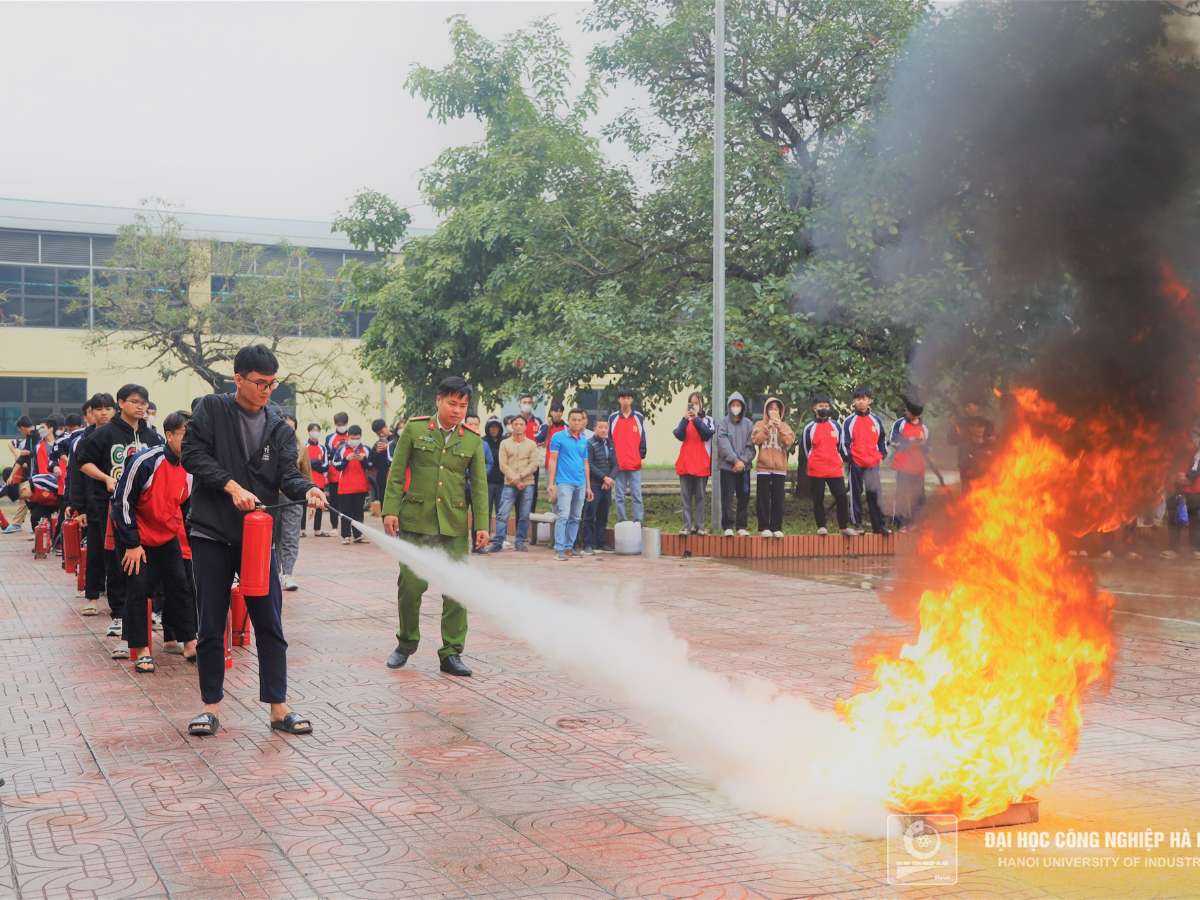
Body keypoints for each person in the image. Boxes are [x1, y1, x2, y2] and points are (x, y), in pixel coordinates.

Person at [181, 344, 326, 738]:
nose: (266, 391)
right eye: (260, 383)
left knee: (269, 620)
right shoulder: (212, 409)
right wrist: (230, 486)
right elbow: (192, 455)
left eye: (272, 384)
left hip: (259, 536)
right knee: (212, 621)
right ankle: (210, 707)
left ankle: (279, 708)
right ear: (238, 378)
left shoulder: (278, 425)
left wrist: (308, 489)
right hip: (211, 531)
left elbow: (287, 475)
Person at [383, 376, 487, 677]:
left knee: (457, 587)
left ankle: (451, 652)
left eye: (463, 406)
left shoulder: (472, 440)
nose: (457, 411)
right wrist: (390, 510)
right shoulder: (415, 430)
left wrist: (481, 525)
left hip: (453, 524)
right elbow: (397, 473)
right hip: (416, 520)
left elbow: (479, 488)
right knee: (410, 585)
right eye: (452, 403)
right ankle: (406, 643)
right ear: (438, 401)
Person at [76, 384, 163, 657]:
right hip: (110, 507)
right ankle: (119, 614)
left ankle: (144, 614)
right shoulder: (104, 434)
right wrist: (106, 479)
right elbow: (83, 462)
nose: (140, 407)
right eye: (134, 401)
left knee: (146, 564)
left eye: (144, 402)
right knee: (117, 563)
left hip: (146, 511)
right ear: (121, 403)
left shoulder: (152, 436)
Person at [110, 411, 197, 672]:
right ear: (169, 435)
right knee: (139, 589)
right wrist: (133, 543)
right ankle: (142, 649)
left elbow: (186, 508)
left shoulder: (193, 466)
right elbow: (122, 502)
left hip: (167, 536)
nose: (191, 442)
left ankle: (189, 641)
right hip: (136, 537)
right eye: (185, 435)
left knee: (180, 586)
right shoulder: (146, 461)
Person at [67, 394, 116, 611]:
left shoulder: (121, 436)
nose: (103, 413)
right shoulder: (82, 440)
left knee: (118, 555)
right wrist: (79, 507)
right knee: (95, 551)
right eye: (99, 409)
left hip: (118, 504)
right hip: (94, 504)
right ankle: (92, 597)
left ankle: (118, 602)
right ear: (90, 413)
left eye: (108, 408)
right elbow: (75, 477)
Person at [802, 395, 854, 536]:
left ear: (829, 408)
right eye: (820, 406)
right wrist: (814, 461)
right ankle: (821, 526)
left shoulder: (836, 426)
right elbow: (807, 449)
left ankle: (843, 527)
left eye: (826, 406)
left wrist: (843, 459)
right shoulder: (809, 428)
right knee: (818, 498)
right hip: (816, 469)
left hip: (834, 468)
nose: (823, 408)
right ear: (814, 408)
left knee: (842, 496)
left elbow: (841, 446)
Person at [841, 387, 889, 535]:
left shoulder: (876, 420)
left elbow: (882, 439)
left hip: (873, 463)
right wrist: (850, 458)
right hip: (856, 463)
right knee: (856, 493)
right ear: (854, 402)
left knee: (875, 494)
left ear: (869, 401)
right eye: (858, 399)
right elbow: (844, 443)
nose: (861, 401)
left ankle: (879, 526)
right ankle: (857, 524)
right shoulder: (849, 421)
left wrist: (881, 454)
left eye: (864, 398)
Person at [489, 413, 540, 552]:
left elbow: (534, 464)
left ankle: (520, 541)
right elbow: (503, 465)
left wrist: (521, 476)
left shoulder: (531, 444)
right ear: (511, 426)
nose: (518, 426)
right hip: (509, 483)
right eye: (516, 424)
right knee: (502, 514)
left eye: (521, 424)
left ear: (525, 426)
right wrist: (515, 479)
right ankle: (498, 542)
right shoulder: (505, 443)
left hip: (528, 483)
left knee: (524, 514)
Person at [547, 408, 592, 561]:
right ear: (569, 420)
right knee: (563, 515)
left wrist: (588, 486)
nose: (577, 422)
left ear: (583, 421)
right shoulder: (558, 437)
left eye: (579, 420)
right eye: (574, 419)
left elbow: (586, 463)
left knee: (576, 517)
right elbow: (552, 460)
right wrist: (551, 483)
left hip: (580, 483)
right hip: (564, 482)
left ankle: (568, 547)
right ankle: (559, 549)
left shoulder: (584, 440)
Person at [751, 397, 795, 537]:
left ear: (780, 411)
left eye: (776, 409)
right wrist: (767, 427)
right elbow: (756, 440)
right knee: (763, 498)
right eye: (771, 409)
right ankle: (763, 527)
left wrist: (779, 426)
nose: (773, 411)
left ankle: (776, 527)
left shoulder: (785, 426)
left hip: (779, 468)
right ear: (766, 410)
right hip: (764, 467)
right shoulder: (759, 424)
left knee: (778, 498)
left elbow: (788, 441)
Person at [672, 392, 715, 535]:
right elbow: (679, 434)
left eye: (697, 403)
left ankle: (700, 526)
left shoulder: (708, 420)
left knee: (700, 496)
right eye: (691, 403)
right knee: (686, 497)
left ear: (702, 404)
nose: (694, 406)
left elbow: (706, 434)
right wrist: (686, 419)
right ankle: (686, 526)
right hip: (685, 463)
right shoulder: (685, 420)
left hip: (702, 463)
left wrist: (696, 418)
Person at [277, 414, 309, 589]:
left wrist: (311, 495)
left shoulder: (302, 448)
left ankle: (287, 574)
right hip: (273, 499)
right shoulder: (270, 445)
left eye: (291, 427)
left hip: (293, 499)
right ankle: (275, 573)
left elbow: (306, 474)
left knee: (290, 536)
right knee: (274, 537)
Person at [716, 392, 755, 537]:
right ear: (729, 406)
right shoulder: (723, 423)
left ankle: (741, 526)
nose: (735, 407)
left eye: (738, 405)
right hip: (728, 467)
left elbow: (751, 446)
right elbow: (723, 443)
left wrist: (743, 461)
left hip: (744, 468)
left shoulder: (749, 424)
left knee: (744, 496)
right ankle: (727, 526)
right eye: (733, 405)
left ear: (743, 407)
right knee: (727, 497)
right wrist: (735, 460)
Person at [889, 398, 931, 530]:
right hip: (903, 466)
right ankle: (900, 522)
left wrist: (923, 444)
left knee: (918, 495)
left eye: (908, 410)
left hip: (918, 467)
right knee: (902, 493)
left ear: (915, 413)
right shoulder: (899, 424)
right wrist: (910, 441)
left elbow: (928, 448)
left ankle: (916, 522)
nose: (905, 412)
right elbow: (893, 442)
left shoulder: (924, 428)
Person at [609, 389, 647, 523]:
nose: (626, 400)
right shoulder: (613, 418)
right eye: (623, 398)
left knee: (637, 495)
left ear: (632, 400)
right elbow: (610, 439)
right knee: (619, 496)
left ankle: (638, 521)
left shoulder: (639, 417)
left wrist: (640, 455)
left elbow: (643, 438)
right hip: (618, 465)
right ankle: (622, 521)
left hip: (634, 463)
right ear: (619, 400)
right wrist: (612, 460)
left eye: (628, 398)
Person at [331, 424, 372, 544]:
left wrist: (363, 460)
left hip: (361, 487)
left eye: (358, 438)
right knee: (346, 513)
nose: (355, 440)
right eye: (353, 438)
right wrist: (346, 460)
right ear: (348, 437)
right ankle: (346, 536)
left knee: (358, 512)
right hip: (345, 488)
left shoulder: (366, 449)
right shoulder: (342, 449)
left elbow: (371, 466)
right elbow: (335, 465)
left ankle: (358, 535)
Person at [583, 417, 616, 553]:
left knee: (603, 514)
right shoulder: (589, 444)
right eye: (600, 427)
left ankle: (600, 542)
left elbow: (616, 464)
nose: (603, 430)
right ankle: (588, 543)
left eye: (605, 427)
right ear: (594, 429)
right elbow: (589, 464)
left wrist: (610, 479)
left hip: (607, 485)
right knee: (590, 514)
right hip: (594, 484)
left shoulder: (610, 443)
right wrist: (604, 478)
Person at [949, 399, 997, 491]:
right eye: (966, 407)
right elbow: (951, 440)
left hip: (983, 465)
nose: (967, 409)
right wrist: (953, 425)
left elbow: (993, 442)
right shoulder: (961, 423)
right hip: (966, 464)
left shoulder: (988, 423)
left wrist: (988, 442)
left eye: (970, 406)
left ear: (977, 406)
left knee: (983, 489)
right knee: (967, 490)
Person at [323, 411, 350, 533]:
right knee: (334, 503)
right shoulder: (330, 438)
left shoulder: (352, 436)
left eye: (343, 423)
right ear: (335, 424)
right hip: (334, 476)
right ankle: (334, 527)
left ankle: (347, 528)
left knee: (347, 504)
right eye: (339, 424)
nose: (341, 426)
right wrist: (337, 448)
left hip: (347, 475)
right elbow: (327, 456)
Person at [303, 423, 330, 536]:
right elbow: (302, 464)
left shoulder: (323, 448)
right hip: (306, 480)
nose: (315, 432)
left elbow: (325, 465)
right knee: (304, 504)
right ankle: (301, 530)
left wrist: (312, 463)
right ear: (308, 431)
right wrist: (315, 463)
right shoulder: (304, 447)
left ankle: (317, 530)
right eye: (313, 430)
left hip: (319, 481)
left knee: (319, 505)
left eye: (317, 430)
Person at [518, 395, 543, 511]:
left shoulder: (538, 422)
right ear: (520, 404)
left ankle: (530, 516)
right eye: (524, 402)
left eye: (529, 402)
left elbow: (541, 440)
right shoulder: (515, 421)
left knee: (532, 492)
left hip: (533, 463)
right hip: (518, 463)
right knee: (518, 493)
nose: (527, 404)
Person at [482, 416, 505, 529]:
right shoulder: (482, 442)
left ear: (500, 428)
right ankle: (485, 535)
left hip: (502, 482)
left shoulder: (505, 442)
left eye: (496, 427)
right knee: (486, 511)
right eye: (491, 427)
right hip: (487, 482)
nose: (494, 429)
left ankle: (501, 537)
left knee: (501, 511)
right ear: (488, 428)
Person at [369, 418, 393, 508]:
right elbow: (371, 463)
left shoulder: (397, 439)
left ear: (386, 427)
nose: (381, 434)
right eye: (378, 434)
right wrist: (376, 453)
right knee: (384, 505)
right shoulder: (377, 444)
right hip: (382, 480)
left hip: (396, 478)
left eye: (382, 431)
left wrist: (389, 447)